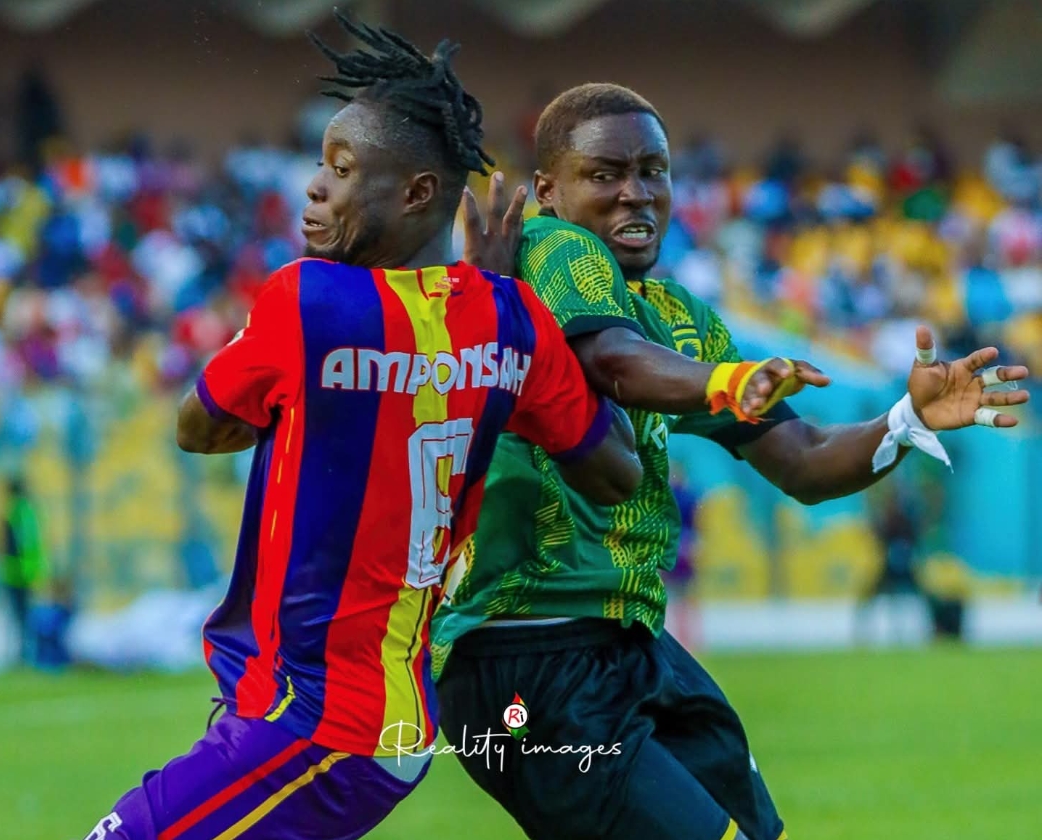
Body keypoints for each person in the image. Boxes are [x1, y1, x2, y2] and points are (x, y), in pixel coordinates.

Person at [80, 20, 648, 840]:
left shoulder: (308, 299)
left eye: (342, 170)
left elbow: (199, 428)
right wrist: (543, 314)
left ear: (417, 194)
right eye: (322, 165)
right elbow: (616, 471)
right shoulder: (510, 318)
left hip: (319, 724)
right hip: (376, 714)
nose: (315, 188)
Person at [433, 83, 1030, 840]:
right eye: (605, 174)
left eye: (653, 170)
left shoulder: (679, 317)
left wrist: (906, 420)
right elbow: (613, 360)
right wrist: (725, 382)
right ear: (547, 191)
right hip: (526, 653)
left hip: (626, 640)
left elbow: (805, 461)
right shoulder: (549, 248)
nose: (635, 193)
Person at [0, 475, 46, 665]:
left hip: (17, 573)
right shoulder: (28, 511)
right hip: (26, 572)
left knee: (20, 617)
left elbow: (15, 545)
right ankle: (27, 654)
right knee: (24, 616)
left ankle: (24, 655)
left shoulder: (15, 512)